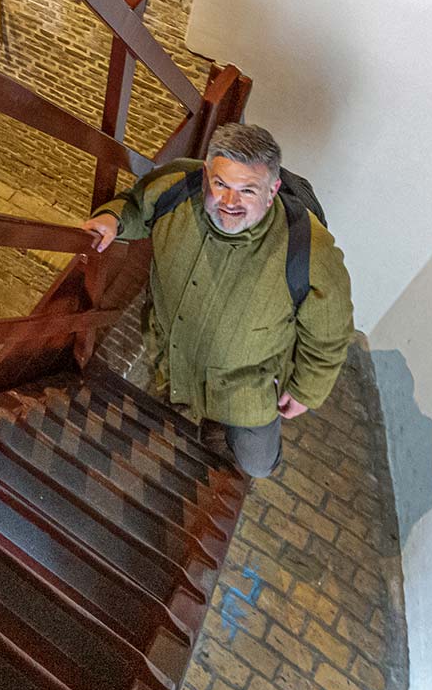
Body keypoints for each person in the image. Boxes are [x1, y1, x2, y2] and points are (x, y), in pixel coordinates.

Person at [82, 123, 353, 478]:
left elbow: (329, 335)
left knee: (255, 465)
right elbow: (137, 207)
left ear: (272, 192)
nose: (229, 203)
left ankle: (237, 446)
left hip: (246, 389)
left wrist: (306, 390)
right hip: (174, 357)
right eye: (221, 184)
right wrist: (114, 219)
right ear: (206, 172)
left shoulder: (310, 250)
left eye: (247, 191)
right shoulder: (176, 186)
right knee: (170, 417)